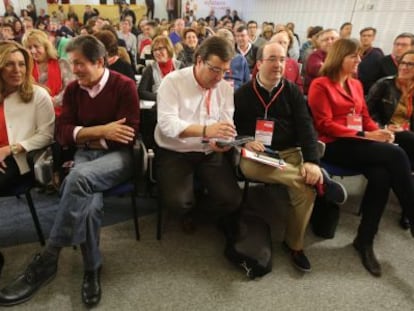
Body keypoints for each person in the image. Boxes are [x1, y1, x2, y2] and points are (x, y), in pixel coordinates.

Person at [0, 35, 140, 307]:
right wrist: (100, 131)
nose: (73, 70)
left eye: (79, 64)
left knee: (76, 177)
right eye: (72, 63)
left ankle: (49, 257)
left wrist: (82, 135)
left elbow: (127, 136)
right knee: (88, 204)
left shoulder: (124, 86)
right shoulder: (75, 90)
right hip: (86, 155)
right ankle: (91, 270)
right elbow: (62, 134)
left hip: (118, 158)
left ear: (99, 62)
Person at [234, 41, 346, 273]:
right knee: (250, 170)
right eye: (272, 59)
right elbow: (234, 128)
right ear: (259, 63)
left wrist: (312, 162)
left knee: (305, 190)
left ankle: (294, 245)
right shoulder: (243, 93)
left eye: (283, 59)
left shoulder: (293, 92)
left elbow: (306, 128)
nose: (278, 65)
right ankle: (320, 182)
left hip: (288, 151)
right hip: (259, 153)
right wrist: (246, 139)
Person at [308, 38, 414, 277]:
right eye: (353, 56)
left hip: (358, 141)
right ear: (339, 58)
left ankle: (364, 240)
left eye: (359, 56)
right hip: (334, 145)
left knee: (382, 175)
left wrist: (378, 131)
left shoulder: (355, 85)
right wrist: (366, 134)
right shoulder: (320, 84)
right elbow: (324, 124)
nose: (359, 60)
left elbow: (364, 115)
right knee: (396, 153)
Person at [155, 36, 242, 233]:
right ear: (199, 60)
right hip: (175, 151)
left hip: (208, 151)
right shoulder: (173, 82)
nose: (219, 77)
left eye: (224, 71)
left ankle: (197, 208)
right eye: (214, 69)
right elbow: (167, 125)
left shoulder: (225, 88)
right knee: (178, 203)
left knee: (233, 200)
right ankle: (188, 208)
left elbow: (227, 124)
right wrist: (205, 130)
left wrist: (224, 141)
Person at [0, 40, 55, 197]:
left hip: (19, 159)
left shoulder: (38, 95)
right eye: (9, 64)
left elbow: (46, 136)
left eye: (21, 64)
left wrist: (8, 149)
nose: (17, 70)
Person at [367, 50, 414, 229]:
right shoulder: (385, 84)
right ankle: (410, 210)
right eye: (403, 63)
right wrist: (382, 128)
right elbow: (367, 113)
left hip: (407, 136)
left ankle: (407, 211)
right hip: (385, 132)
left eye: (410, 64)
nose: (404, 67)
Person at [22, 29, 73, 116]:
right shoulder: (24, 67)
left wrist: (49, 102)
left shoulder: (62, 64)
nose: (33, 51)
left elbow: (70, 90)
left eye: (36, 46)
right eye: (29, 47)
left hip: (60, 114)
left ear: (46, 46)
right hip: (32, 114)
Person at [139, 35, 182, 101]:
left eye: (160, 48)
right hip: (158, 107)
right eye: (154, 50)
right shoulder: (150, 68)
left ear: (168, 48)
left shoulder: (180, 66)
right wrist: (162, 97)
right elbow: (141, 92)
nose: (157, 52)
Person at [304, 28, 339, 94]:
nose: (329, 42)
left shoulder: (343, 56)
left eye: (333, 38)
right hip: (317, 94)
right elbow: (319, 70)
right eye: (326, 40)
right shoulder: (315, 55)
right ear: (320, 43)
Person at [357, 27, 384, 95]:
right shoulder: (354, 51)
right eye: (364, 35)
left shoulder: (377, 54)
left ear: (373, 38)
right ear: (360, 37)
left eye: (369, 36)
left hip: (367, 91)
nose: (366, 38)